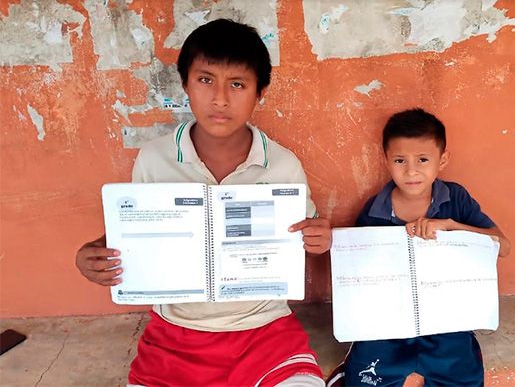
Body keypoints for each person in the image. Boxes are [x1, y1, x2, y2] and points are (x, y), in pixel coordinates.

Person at [76, 19, 332, 387]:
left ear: (259, 93)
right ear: (185, 84)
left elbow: (307, 234)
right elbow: (135, 234)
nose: (220, 99)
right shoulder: (154, 159)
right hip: (176, 335)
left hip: (264, 330)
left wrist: (319, 239)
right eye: (206, 80)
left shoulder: (282, 164)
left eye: (238, 84)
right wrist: (95, 253)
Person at [327, 108, 510, 387]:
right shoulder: (374, 210)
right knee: (364, 374)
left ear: (443, 159)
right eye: (400, 160)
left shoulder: (455, 199)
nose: (411, 171)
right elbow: (360, 272)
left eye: (423, 159)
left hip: (448, 319)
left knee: (463, 375)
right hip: (389, 323)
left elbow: (503, 246)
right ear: (386, 160)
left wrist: (451, 227)